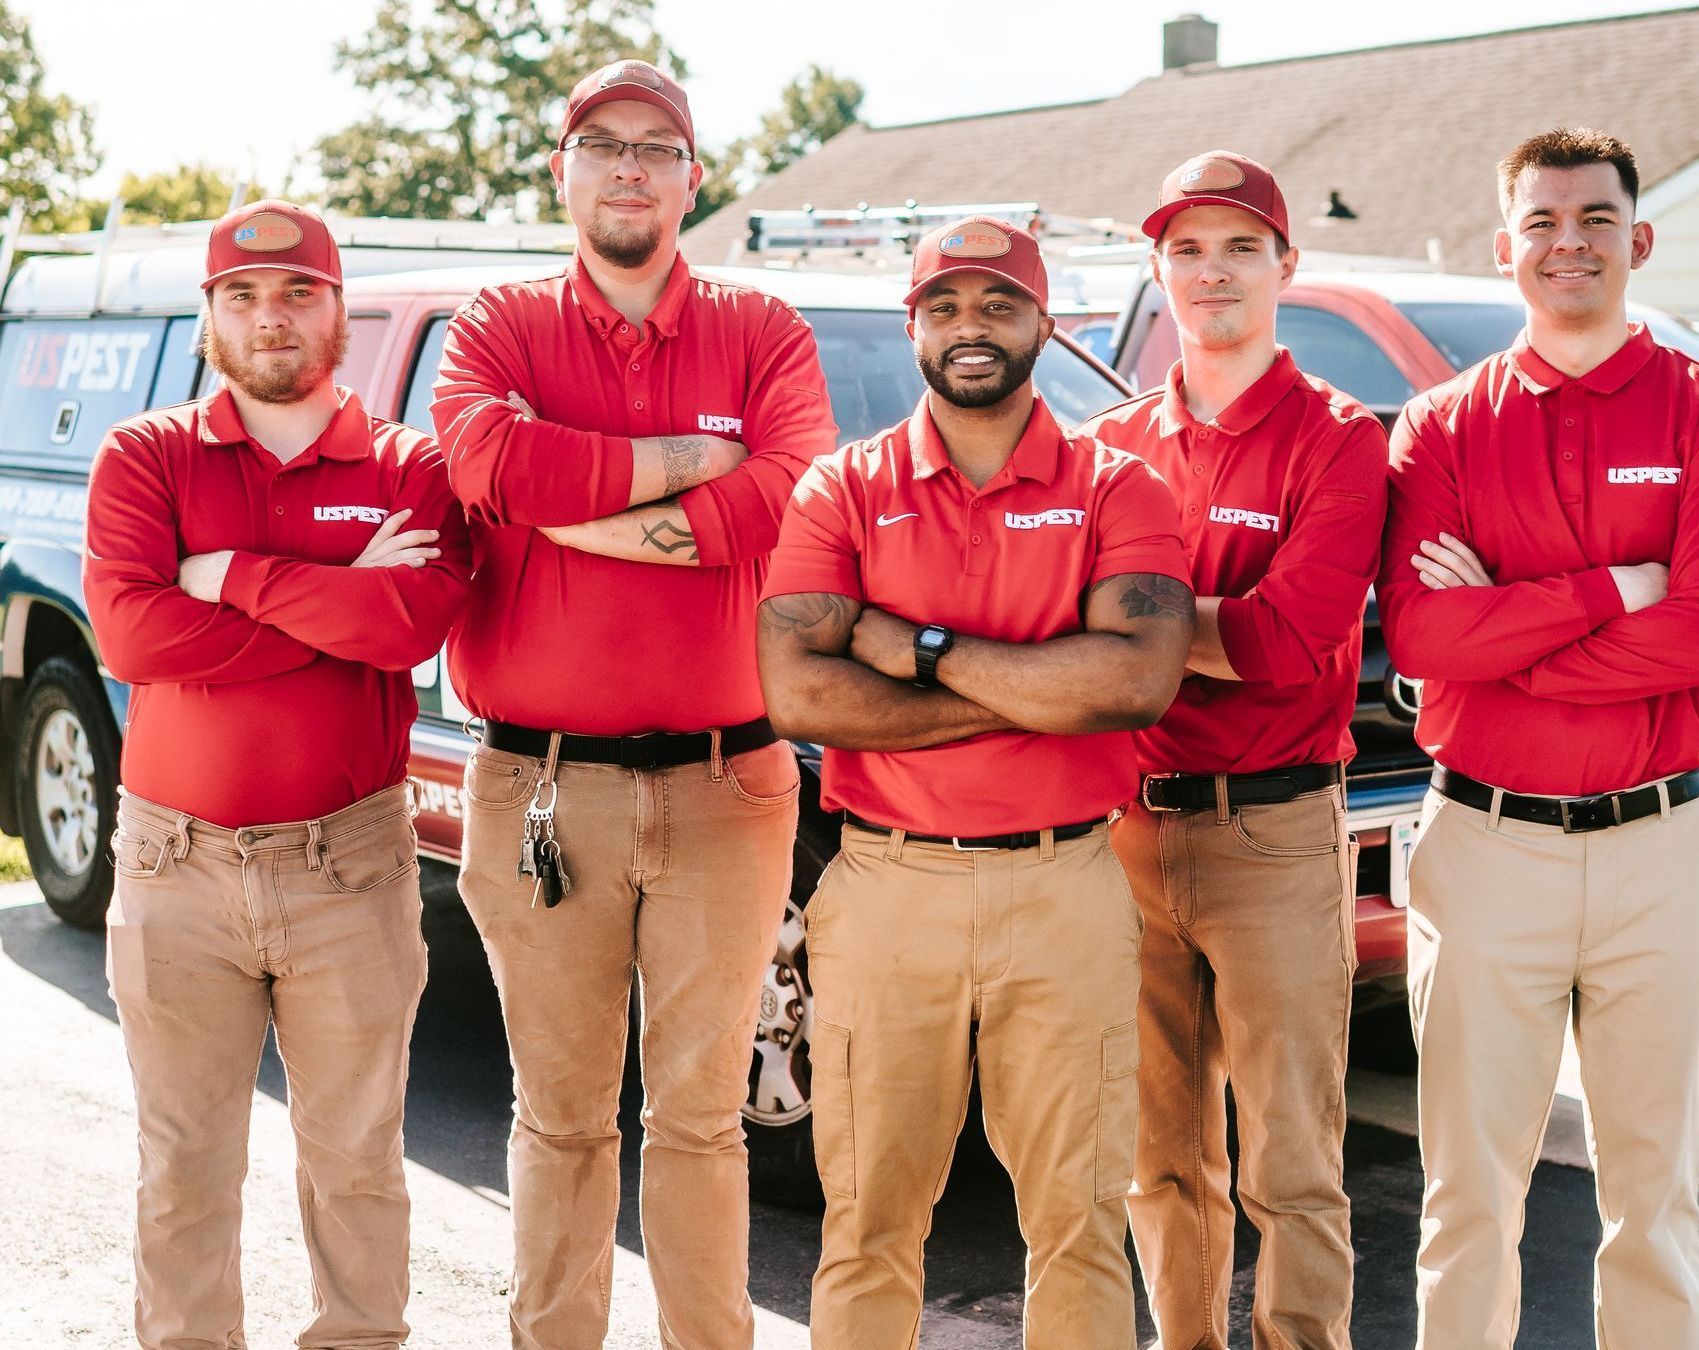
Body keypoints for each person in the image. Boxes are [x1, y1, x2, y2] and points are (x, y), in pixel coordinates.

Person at [429, 57, 837, 1350]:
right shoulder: (497, 323)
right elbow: (483, 459)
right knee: (558, 1114)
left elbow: (784, 496)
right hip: (541, 786)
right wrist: (679, 477)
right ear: (564, 168)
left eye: (655, 148)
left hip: (731, 788)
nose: (627, 166)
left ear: (692, 177)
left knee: (702, 1115)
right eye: (601, 143)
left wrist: (568, 509)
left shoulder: (764, 331)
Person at [756, 216, 1193, 1347]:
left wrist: (925, 651)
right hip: (888, 888)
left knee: (1080, 1220)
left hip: (1068, 889)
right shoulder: (841, 490)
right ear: (915, 326)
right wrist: (1035, 691)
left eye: (998, 305)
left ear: (1044, 322)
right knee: (868, 1221)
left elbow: (1135, 682)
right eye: (944, 307)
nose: (970, 329)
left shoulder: (1118, 486)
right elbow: (800, 695)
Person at [1376, 127, 1699, 1350]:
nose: (1569, 243)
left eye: (1595, 219)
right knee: (1468, 1199)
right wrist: (1611, 590)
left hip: (1666, 844)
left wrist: (1508, 633)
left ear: (1637, 239)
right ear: (1507, 249)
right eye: (1543, 222)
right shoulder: (1441, 427)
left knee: (1654, 1204)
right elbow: (1427, 642)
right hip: (1486, 844)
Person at [83, 198, 471, 1350]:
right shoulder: (145, 456)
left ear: (339, 305)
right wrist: (336, 596)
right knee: (185, 1166)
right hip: (175, 862)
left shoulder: (410, 466)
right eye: (242, 296)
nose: (272, 317)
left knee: (357, 1163)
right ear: (210, 313)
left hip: (345, 862)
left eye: (299, 291)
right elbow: (134, 640)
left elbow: (407, 629)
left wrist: (227, 574)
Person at [1081, 150, 1388, 1350]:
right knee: (1158, 1157)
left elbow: (1291, 640)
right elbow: (1068, 618)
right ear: (1159, 270)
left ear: (1285, 266)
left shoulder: (1338, 439)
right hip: (1127, 828)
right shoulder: (1109, 443)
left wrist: (1133, 631)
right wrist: (1179, 633)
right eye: (1187, 249)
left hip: (1272, 830)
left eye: (1239, 247)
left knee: (1292, 1160)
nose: (1211, 273)